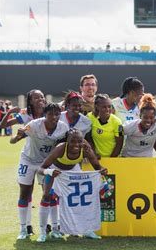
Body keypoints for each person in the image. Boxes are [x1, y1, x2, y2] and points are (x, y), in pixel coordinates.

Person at [36, 129, 107, 242]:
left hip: (73, 170)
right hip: (55, 170)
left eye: (79, 141)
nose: (76, 144)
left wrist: (103, 170)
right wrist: (49, 172)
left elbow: (98, 167)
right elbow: (40, 168)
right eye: (73, 141)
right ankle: (43, 232)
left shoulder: (86, 149)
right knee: (46, 196)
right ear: (67, 141)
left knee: (83, 198)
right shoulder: (60, 148)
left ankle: (86, 229)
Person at [10, 103, 68, 240]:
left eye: (57, 114)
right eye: (50, 114)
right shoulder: (34, 124)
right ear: (44, 115)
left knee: (50, 194)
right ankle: (23, 229)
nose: (54, 117)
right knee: (24, 192)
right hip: (28, 160)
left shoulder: (63, 127)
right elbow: (13, 141)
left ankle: (55, 228)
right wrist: (17, 136)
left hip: (46, 163)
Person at [121, 93, 156, 157]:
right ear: (140, 116)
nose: (148, 120)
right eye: (145, 117)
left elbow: (153, 136)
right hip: (129, 159)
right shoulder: (130, 126)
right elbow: (119, 131)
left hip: (147, 160)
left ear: (155, 117)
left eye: (151, 118)